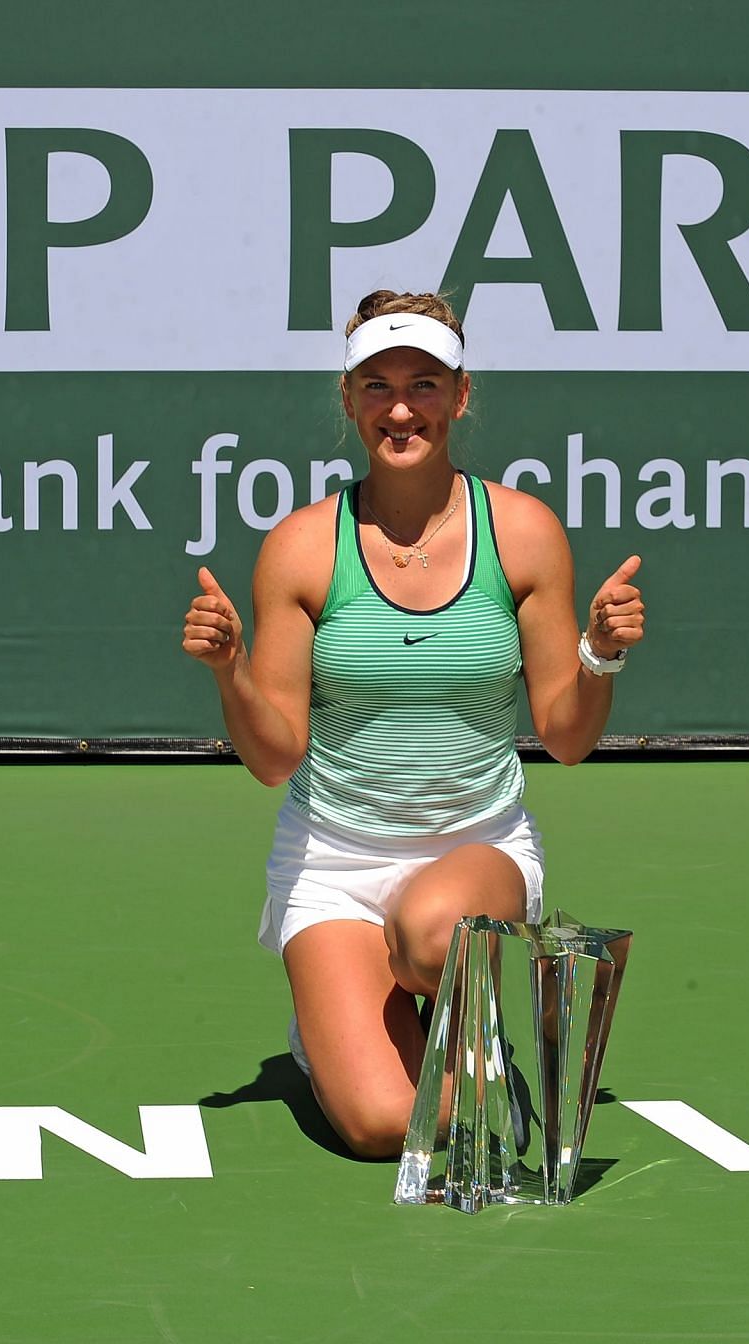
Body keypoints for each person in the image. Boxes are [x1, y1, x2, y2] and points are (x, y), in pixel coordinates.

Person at [181, 290, 644, 1159]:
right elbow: (275, 756)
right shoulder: (302, 547)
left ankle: (452, 988)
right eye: (378, 385)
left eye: (424, 385)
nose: (401, 408)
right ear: (350, 400)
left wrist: (599, 654)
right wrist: (230, 671)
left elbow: (570, 738)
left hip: (477, 849)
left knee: (435, 938)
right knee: (385, 1128)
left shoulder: (524, 533)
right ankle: (332, 1026)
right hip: (334, 863)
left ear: (460, 396)